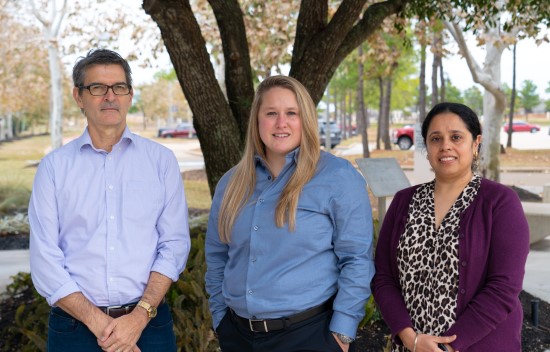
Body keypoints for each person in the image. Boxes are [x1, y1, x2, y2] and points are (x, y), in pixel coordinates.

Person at [28, 49, 191, 352]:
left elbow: (174, 244)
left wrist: (138, 318)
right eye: (97, 88)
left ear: (130, 95)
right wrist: (104, 326)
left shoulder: (161, 162)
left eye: (119, 87)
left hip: (148, 325)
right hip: (74, 329)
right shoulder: (53, 169)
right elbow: (45, 261)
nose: (109, 96)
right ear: (79, 96)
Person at [205, 75, 375, 352]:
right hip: (238, 336)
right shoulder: (231, 184)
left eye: (291, 113)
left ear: (305, 119)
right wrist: (220, 319)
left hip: (310, 335)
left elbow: (357, 259)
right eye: (271, 113)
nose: (281, 123)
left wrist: (342, 332)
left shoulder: (338, 177)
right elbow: (217, 257)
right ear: (257, 120)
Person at [372, 102, 530, 352]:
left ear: (475, 143)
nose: (445, 145)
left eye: (456, 137)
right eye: (436, 138)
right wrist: (409, 337)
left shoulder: (499, 202)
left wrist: (445, 348)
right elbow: (383, 277)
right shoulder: (403, 201)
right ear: (427, 147)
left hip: (479, 346)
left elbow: (504, 287)